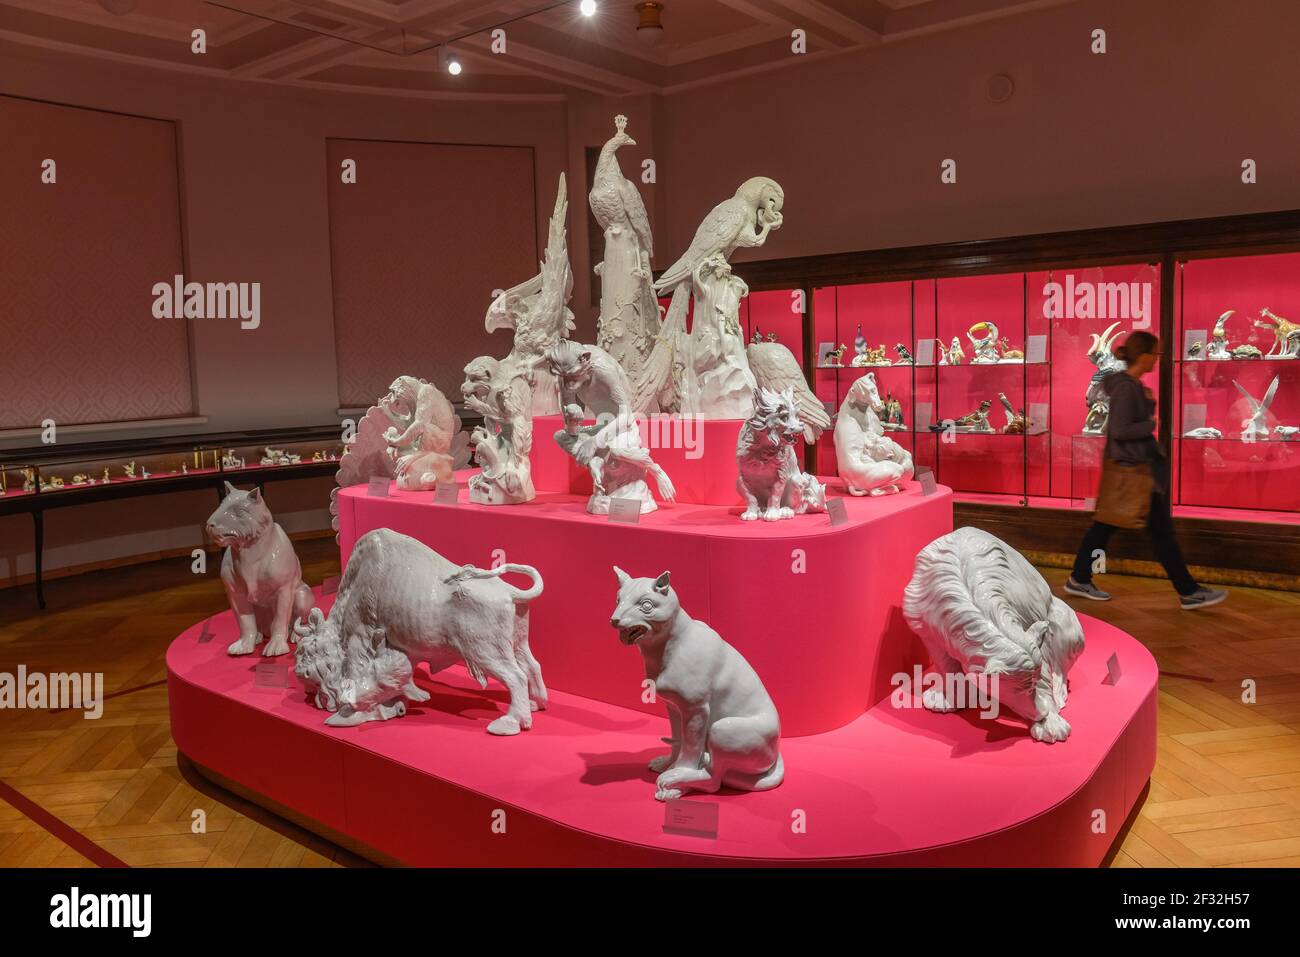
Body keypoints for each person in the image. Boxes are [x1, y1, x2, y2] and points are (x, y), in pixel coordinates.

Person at [1065, 330, 1226, 610]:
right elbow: (1120, 429)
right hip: (1134, 472)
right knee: (1153, 532)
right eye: (1156, 353)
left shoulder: (1129, 385)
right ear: (1144, 355)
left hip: (1134, 470)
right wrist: (1151, 424)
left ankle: (1080, 577)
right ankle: (1187, 591)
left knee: (1106, 527)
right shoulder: (1127, 387)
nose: (1157, 359)